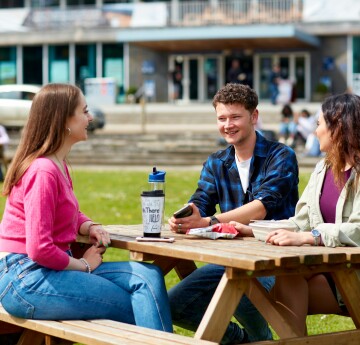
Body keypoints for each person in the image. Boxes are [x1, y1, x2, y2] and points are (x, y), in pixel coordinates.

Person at [0, 84, 173, 333]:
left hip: (45, 270)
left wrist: (88, 225)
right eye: (84, 111)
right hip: (25, 278)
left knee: (150, 276)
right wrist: (84, 265)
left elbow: (65, 210)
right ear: (64, 120)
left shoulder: (59, 164)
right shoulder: (43, 171)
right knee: (136, 306)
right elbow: (39, 249)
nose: (90, 117)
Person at [168, 83, 299, 344]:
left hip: (274, 258)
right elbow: (201, 200)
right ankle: (244, 341)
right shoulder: (217, 161)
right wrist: (185, 216)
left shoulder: (281, 155)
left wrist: (209, 221)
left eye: (235, 117)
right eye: (222, 118)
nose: (228, 124)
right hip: (231, 259)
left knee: (233, 284)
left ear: (254, 116)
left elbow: (262, 207)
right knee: (174, 305)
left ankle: (260, 339)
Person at [237, 93, 360, 336]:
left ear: (338, 127)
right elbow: (300, 222)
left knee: (268, 292)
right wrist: (254, 229)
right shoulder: (323, 168)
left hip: (353, 274)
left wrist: (311, 237)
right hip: (331, 272)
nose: (315, 132)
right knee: (269, 286)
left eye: (319, 124)